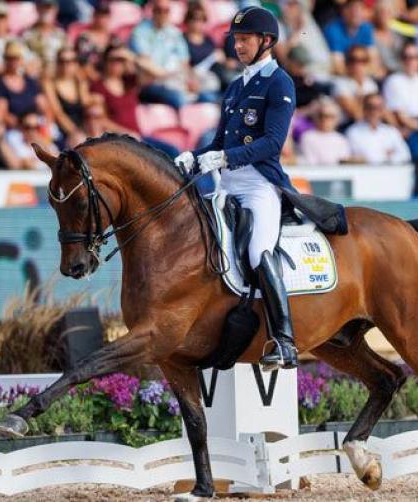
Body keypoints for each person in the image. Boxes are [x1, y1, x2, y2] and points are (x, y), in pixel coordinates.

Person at [174, 7, 299, 370]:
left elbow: (272, 143)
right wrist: (195, 156)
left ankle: (285, 341)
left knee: (259, 253)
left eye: (245, 40)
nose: (238, 46)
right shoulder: (236, 86)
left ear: (266, 41)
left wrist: (226, 157)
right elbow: (218, 143)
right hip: (226, 186)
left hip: (260, 185)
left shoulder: (279, 82)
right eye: (236, 40)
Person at [129, 0, 194, 109]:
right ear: (153, 11)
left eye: (166, 10)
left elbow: (184, 61)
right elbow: (144, 63)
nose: (162, 14)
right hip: (151, 84)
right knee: (179, 99)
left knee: (206, 96)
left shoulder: (175, 33)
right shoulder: (140, 32)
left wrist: (190, 80)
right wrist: (167, 75)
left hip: (174, 81)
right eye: (159, 10)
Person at [382, 41, 418, 133]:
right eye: (406, 57)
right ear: (402, 60)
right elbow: (399, 114)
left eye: (414, 57)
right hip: (405, 126)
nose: (410, 61)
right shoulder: (393, 81)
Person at [345, 93, 412, 164]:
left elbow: (405, 155)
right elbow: (359, 158)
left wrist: (385, 157)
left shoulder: (391, 131)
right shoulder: (353, 132)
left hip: (390, 170)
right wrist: (387, 155)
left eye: (379, 107)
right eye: (370, 107)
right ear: (364, 109)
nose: (374, 111)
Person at [322, 0, 379, 75]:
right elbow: (338, 66)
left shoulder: (367, 27)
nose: (356, 13)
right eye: (352, 8)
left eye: (359, 8)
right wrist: (358, 73)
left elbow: (374, 61)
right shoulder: (333, 30)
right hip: (340, 76)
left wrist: (363, 73)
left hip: (362, 75)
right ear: (343, 11)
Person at [300, 99, 352, 165]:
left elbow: (344, 162)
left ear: (337, 119)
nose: (325, 119)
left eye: (330, 116)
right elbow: (310, 162)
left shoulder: (341, 139)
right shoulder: (308, 137)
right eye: (321, 115)